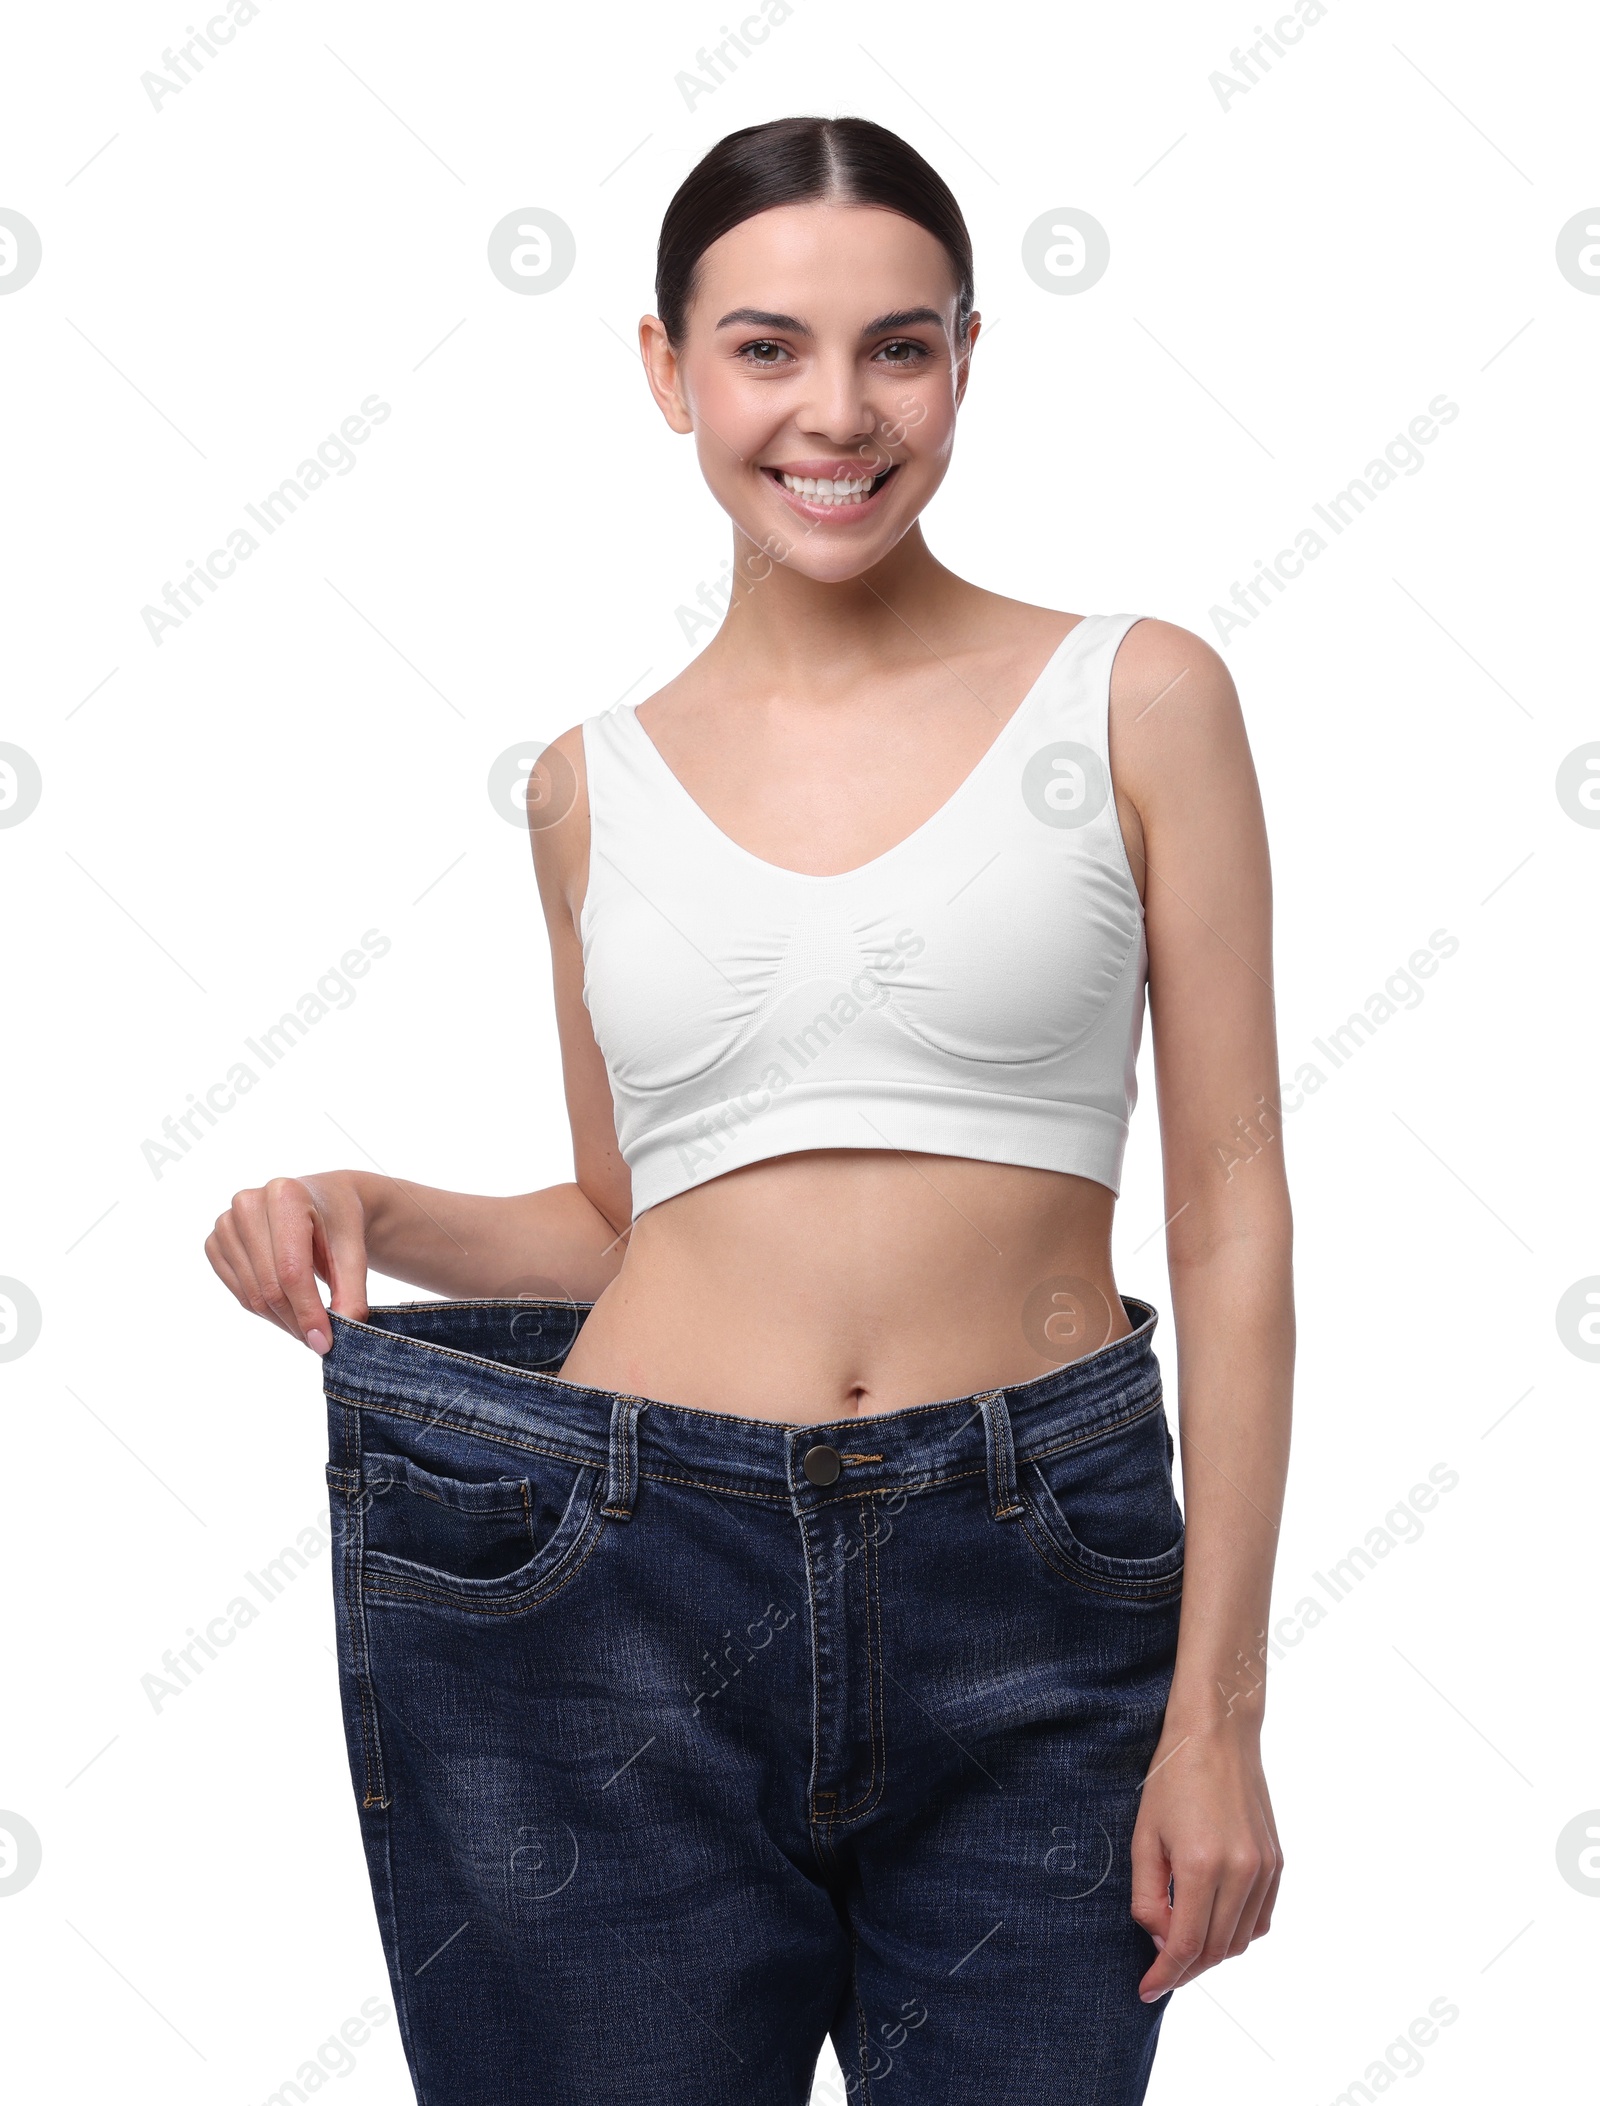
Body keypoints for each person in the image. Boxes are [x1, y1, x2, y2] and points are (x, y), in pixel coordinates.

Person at [207, 114, 1291, 2106]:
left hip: (1035, 1584)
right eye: (767, 347)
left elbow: (1227, 1223)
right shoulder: (585, 787)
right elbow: (639, 1220)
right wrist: (372, 1199)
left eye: (896, 347)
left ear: (965, 358)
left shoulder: (1135, 699)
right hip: (614, 1582)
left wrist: (1213, 1711)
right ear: (667, 369)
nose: (835, 411)